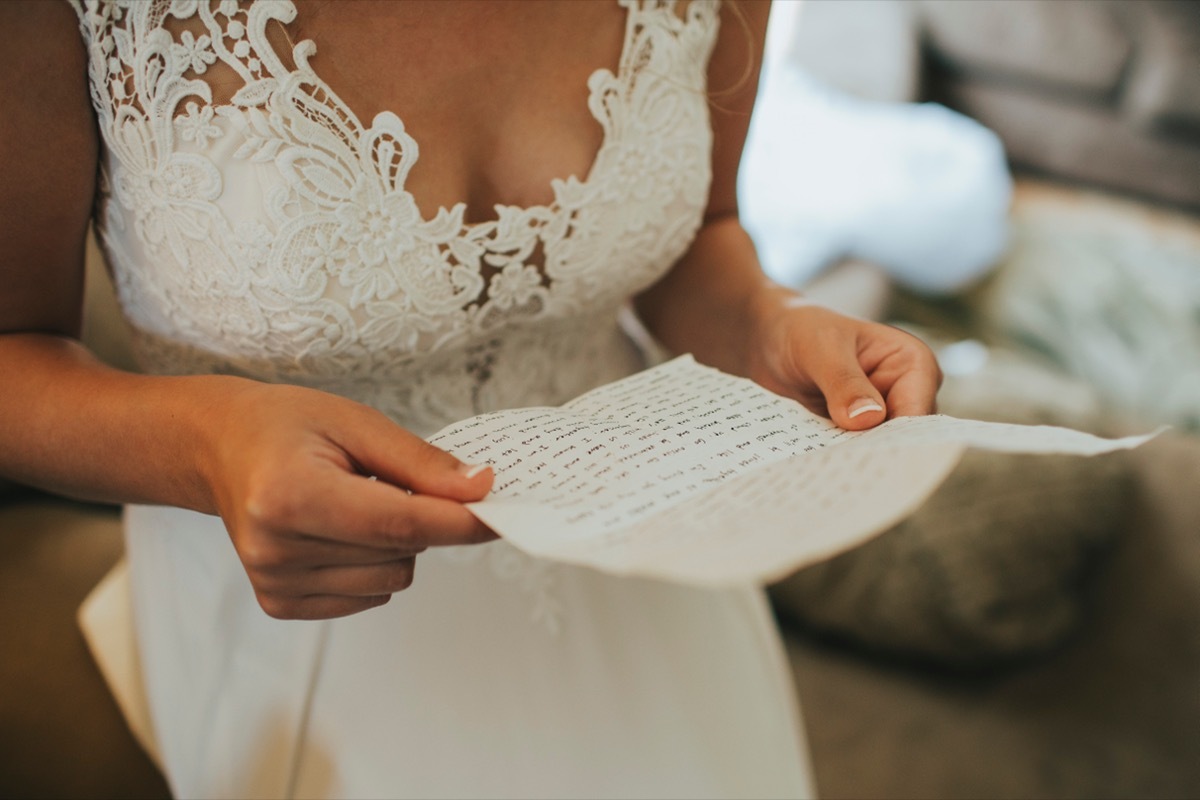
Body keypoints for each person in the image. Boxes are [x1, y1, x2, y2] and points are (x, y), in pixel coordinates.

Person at [0, 1, 941, 797]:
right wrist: (209, 445)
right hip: (306, 616)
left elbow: (702, 232)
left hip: (649, 583)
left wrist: (770, 321)